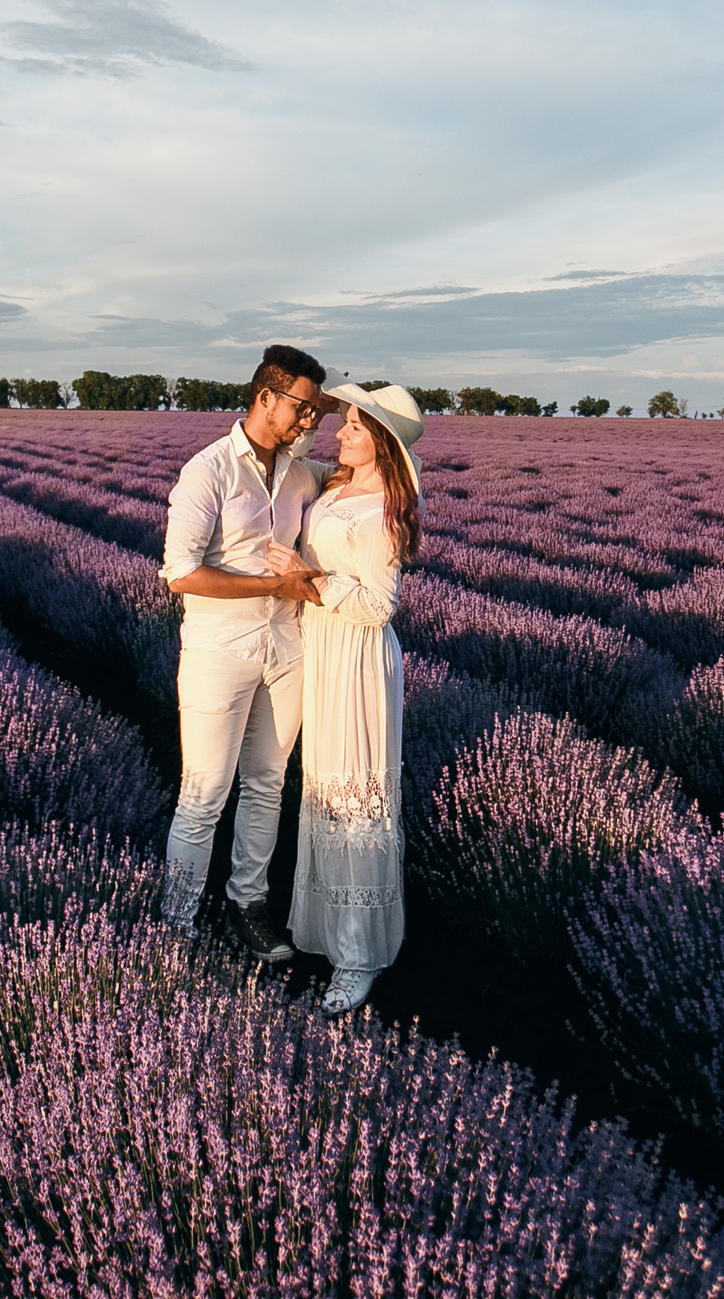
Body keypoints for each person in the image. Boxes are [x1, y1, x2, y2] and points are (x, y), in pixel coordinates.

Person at [157, 343, 332, 960]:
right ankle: (176, 926)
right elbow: (180, 573)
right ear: (265, 398)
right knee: (202, 793)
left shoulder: (298, 470)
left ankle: (247, 904)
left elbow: (357, 478)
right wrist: (273, 584)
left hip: (285, 647)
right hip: (219, 651)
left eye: (317, 410)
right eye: (303, 408)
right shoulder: (207, 470)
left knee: (266, 783)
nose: (312, 420)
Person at [268, 382, 420, 1014]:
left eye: (355, 427)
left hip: (357, 657)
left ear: (381, 441)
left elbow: (381, 606)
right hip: (324, 646)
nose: (340, 434)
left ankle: (359, 958)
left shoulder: (385, 505)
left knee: (355, 794)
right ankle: (331, 931)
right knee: (324, 789)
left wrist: (309, 580)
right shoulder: (334, 487)